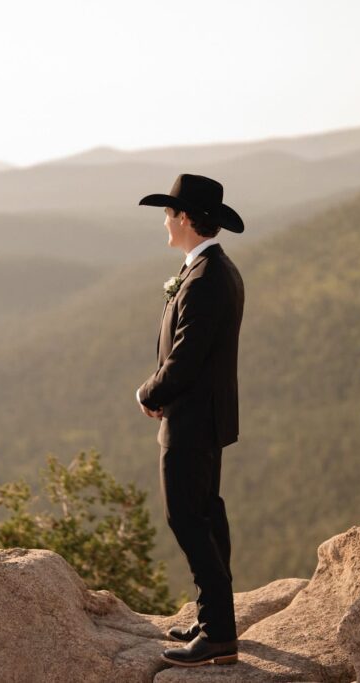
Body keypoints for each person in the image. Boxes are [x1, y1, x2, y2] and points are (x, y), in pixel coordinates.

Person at [134, 173, 245, 667]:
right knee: (206, 513)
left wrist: (149, 392)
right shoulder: (211, 270)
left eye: (167, 213)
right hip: (201, 415)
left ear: (184, 218)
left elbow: (186, 358)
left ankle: (219, 633)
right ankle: (213, 619)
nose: (164, 222)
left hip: (192, 420)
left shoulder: (204, 279)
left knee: (188, 518)